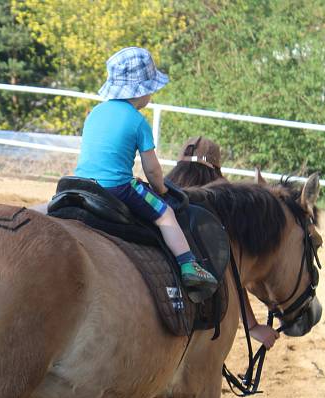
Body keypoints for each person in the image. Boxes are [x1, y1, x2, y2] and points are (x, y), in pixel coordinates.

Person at [146, 136, 280, 398]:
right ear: (218, 168)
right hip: (203, 326)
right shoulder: (219, 207)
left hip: (158, 319)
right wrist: (253, 325)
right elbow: (232, 274)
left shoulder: (163, 193)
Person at [74, 47, 218, 296]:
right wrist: (161, 190)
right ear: (141, 91)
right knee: (166, 215)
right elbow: (152, 169)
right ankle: (188, 265)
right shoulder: (137, 121)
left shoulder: (95, 113)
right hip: (117, 187)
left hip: (80, 182)